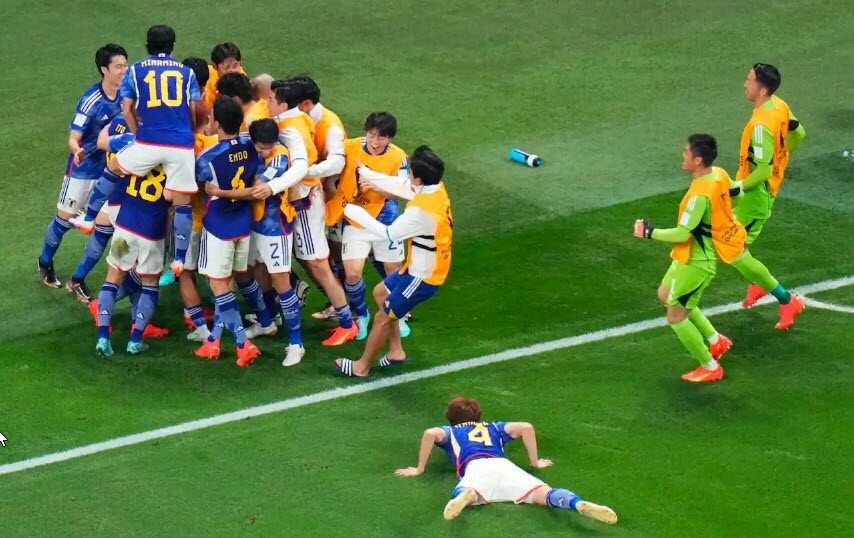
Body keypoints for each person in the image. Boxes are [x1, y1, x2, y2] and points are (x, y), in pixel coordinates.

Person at [394, 397, 618, 524]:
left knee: (467, 491)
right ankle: (577, 504)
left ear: (450, 418)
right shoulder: (493, 427)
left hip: (476, 469)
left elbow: (430, 433)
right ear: (478, 415)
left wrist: (419, 468)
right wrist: (535, 462)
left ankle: (467, 495)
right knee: (544, 493)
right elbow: (526, 427)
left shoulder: (450, 432)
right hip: (505, 467)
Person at [334, 146, 450, 378]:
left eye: (410, 172)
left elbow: (388, 234)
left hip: (423, 277)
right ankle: (396, 351)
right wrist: (368, 174)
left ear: (418, 177)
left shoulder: (421, 212)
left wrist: (354, 212)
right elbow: (402, 186)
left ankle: (361, 367)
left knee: (383, 317)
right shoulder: (436, 189)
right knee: (380, 293)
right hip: (417, 266)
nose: (407, 176)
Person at [261, 81, 357, 346]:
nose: (267, 103)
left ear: (282, 103)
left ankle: (347, 323)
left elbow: (302, 165)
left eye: (271, 99)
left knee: (318, 264)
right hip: (303, 199)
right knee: (309, 261)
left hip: (306, 201)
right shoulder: (295, 119)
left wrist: (277, 184)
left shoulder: (291, 129)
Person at [108, 25, 200, 282]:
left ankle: (90, 215)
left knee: (114, 166)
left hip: (127, 216)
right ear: (172, 46)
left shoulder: (136, 70)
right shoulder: (187, 72)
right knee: (182, 204)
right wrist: (188, 133)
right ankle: (180, 257)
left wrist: (139, 133)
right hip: (181, 145)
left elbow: (126, 109)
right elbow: (194, 108)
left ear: (147, 45)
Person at [39, 44, 128, 289]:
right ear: (104, 69)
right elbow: (73, 137)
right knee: (64, 221)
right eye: (118, 66)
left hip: (112, 171)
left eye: (125, 65)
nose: (123, 70)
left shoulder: (128, 93)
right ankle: (45, 262)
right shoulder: (91, 100)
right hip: (83, 169)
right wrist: (76, 150)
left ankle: (78, 280)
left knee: (105, 226)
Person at [731, 63, 806, 322]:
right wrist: (782, 160)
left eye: (749, 80)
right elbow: (799, 133)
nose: (745, 83)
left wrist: (735, 187)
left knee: (732, 250)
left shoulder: (762, 124)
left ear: (762, 89)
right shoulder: (779, 105)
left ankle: (787, 300)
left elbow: (762, 171)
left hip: (754, 195)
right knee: (735, 247)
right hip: (754, 192)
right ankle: (759, 282)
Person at [326, 112, 411, 341]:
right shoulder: (349, 147)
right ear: (365, 132)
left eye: (381, 138)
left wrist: (375, 184)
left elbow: (402, 191)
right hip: (356, 218)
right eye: (372, 135)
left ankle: (398, 315)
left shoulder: (399, 157)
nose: (375, 142)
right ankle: (361, 313)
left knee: (394, 271)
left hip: (387, 220)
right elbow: (329, 166)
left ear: (390, 138)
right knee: (352, 273)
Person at [193, 97, 262, 366]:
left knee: (218, 286)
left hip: (218, 226)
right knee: (227, 284)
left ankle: (243, 343)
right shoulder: (251, 145)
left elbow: (196, 185)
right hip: (243, 224)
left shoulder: (207, 158)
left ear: (217, 123)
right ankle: (214, 341)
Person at [246, 119, 305, 366]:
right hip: (254, 223)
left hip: (275, 228)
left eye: (268, 146)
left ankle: (296, 343)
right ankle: (268, 320)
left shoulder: (280, 155)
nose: (265, 151)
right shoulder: (251, 147)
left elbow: (260, 185)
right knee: (257, 270)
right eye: (261, 147)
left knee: (281, 280)